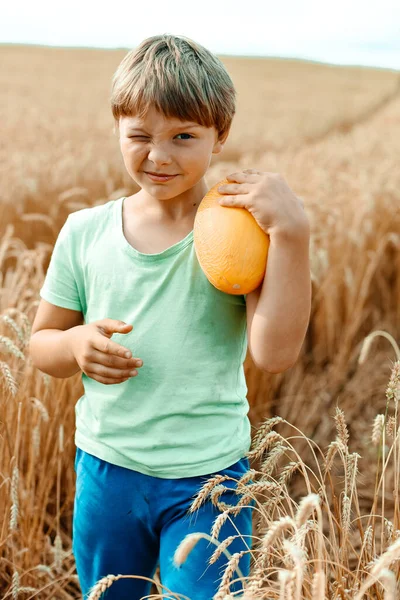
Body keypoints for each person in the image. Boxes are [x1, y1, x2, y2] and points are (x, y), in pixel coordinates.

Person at [29, 34, 311, 600]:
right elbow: (41, 344)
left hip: (210, 480)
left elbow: (274, 354)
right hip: (108, 469)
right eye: (139, 136)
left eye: (184, 136)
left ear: (219, 136)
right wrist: (77, 343)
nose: (159, 156)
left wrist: (292, 236)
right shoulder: (85, 232)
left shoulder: (239, 233)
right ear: (116, 130)